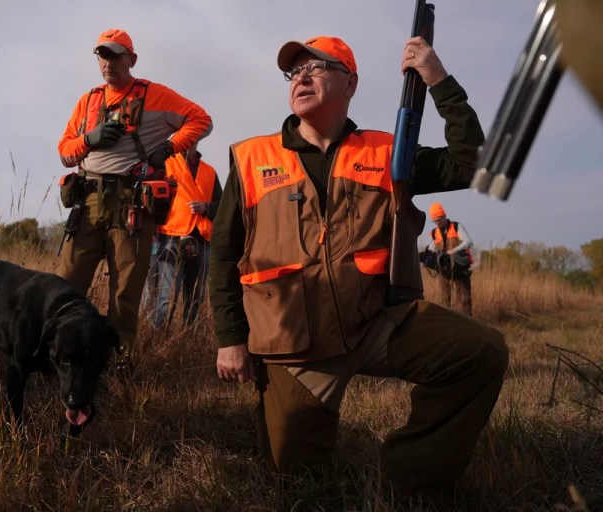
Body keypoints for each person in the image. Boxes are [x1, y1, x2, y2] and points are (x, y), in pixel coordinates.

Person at [209, 35, 509, 504]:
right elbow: (224, 254)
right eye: (294, 72)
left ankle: (412, 480)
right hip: (294, 347)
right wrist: (230, 339)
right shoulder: (251, 159)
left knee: (481, 352)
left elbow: (472, 163)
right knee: (299, 485)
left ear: (349, 82)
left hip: (376, 323)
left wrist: (438, 79)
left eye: (317, 67)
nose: (301, 77)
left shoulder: (388, 152)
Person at [57, 29, 212, 360]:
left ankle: (117, 363)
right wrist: (90, 140)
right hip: (88, 200)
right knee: (66, 286)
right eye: (102, 55)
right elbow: (65, 152)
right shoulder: (87, 100)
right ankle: (61, 357)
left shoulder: (155, 94)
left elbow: (202, 120)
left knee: (125, 293)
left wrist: (169, 148)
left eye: (115, 55)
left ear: (132, 60)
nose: (108, 62)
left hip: (132, 205)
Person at [144, 143, 222, 329]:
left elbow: (223, 205)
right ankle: (156, 341)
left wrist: (206, 208)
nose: (191, 138)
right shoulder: (164, 164)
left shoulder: (209, 171)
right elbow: (148, 197)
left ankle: (188, 341)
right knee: (164, 296)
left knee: (196, 296)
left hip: (202, 240)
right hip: (169, 237)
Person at [426, 202, 474, 315]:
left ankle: (468, 326)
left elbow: (469, 242)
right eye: (435, 221)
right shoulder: (434, 233)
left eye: (439, 219)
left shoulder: (456, 227)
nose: (438, 223)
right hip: (443, 271)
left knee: (464, 300)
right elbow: (431, 250)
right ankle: (447, 324)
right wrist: (427, 258)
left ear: (444, 216)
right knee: (444, 301)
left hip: (459, 268)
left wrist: (453, 251)